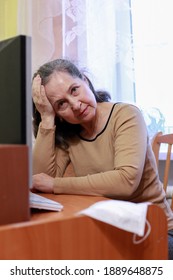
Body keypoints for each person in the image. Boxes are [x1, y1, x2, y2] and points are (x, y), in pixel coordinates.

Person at [32, 58, 173, 259]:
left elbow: (125, 181)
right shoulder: (70, 133)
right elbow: (41, 181)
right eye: (61, 104)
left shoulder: (126, 115)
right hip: (108, 228)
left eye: (74, 90)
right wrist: (46, 118)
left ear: (85, 80)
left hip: (154, 231)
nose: (75, 105)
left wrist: (55, 183)